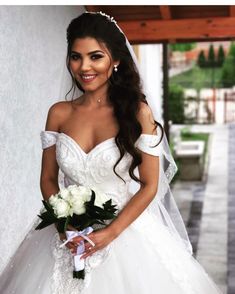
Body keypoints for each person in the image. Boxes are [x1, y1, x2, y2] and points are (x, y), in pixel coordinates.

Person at [0, 12, 223, 294]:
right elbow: (47, 178)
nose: (84, 67)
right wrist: (62, 226)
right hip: (66, 235)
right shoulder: (58, 113)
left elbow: (150, 184)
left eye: (95, 56)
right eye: (76, 56)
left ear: (115, 60)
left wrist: (110, 233)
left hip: (125, 234)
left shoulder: (137, 112)